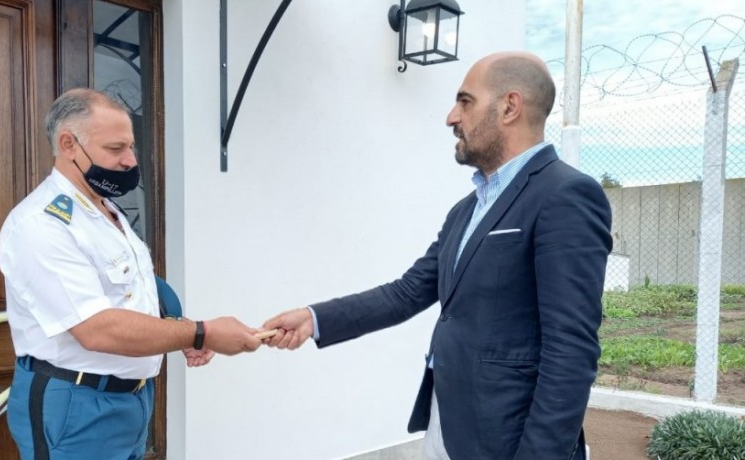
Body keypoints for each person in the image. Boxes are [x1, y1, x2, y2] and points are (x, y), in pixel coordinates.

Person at [263, 51, 613, 460]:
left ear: (510, 107)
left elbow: (570, 350)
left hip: (508, 440)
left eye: (465, 102)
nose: (451, 117)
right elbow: (406, 293)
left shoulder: (565, 195)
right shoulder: (466, 210)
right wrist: (314, 318)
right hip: (447, 423)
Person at [0, 88, 262, 459]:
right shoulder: (42, 225)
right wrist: (202, 332)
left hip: (131, 399)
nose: (129, 160)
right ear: (69, 144)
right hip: (76, 404)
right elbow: (96, 328)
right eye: (115, 148)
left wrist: (176, 330)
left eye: (131, 147)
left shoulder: (106, 212)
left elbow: (126, 294)